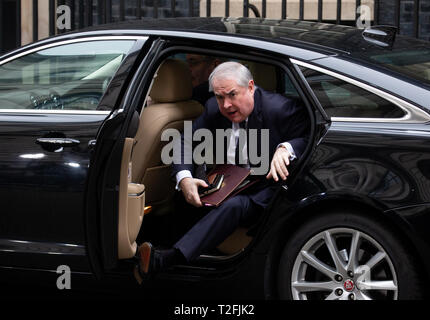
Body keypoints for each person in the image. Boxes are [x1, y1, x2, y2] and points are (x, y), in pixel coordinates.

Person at [135, 61, 309, 279]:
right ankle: (162, 259)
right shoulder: (212, 109)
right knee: (185, 196)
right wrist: (185, 178)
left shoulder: (280, 109)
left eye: (232, 95)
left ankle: (170, 259)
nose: (226, 105)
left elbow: (312, 137)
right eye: (220, 97)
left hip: (268, 196)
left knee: (235, 205)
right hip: (230, 185)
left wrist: (286, 148)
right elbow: (184, 141)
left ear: (251, 87)